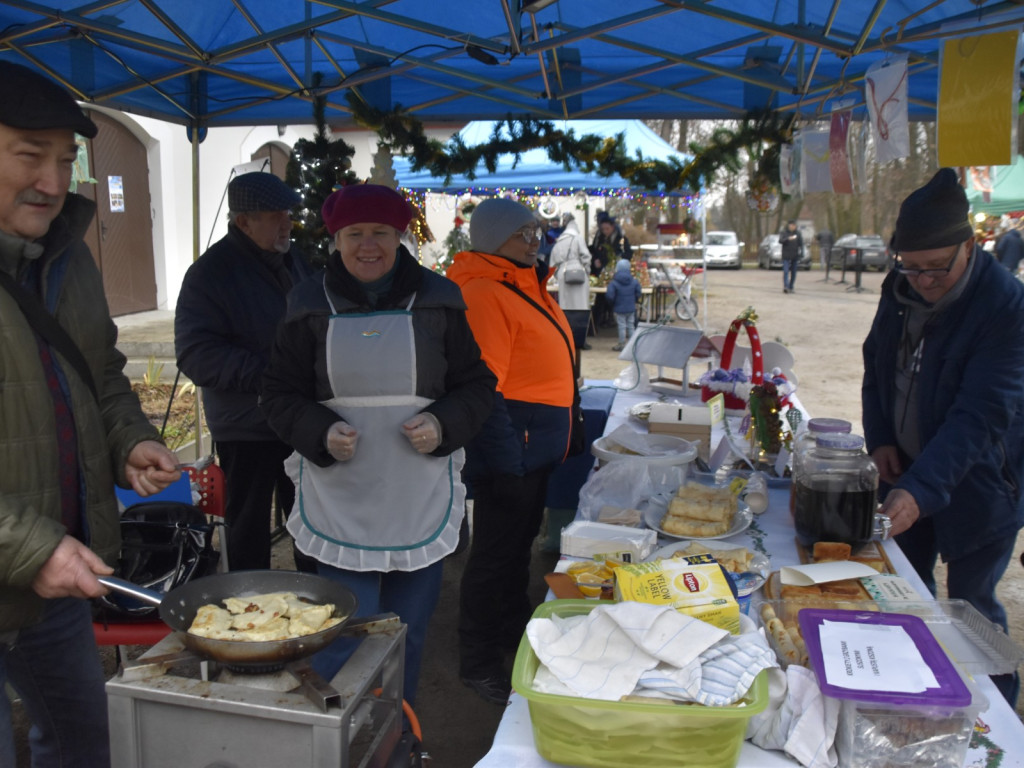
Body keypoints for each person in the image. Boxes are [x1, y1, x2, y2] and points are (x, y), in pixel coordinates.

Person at [0, 61, 182, 768]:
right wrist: (30, 547)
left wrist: (127, 438)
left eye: (64, 159)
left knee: (83, 746)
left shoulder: (68, 260)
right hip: (36, 553)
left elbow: (97, 370)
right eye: (27, 155)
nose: (52, 182)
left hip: (55, 581)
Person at [260, 184, 495, 708]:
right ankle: (335, 735)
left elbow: (477, 386)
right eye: (355, 234)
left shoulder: (439, 299)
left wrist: (443, 423)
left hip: (418, 492)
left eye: (381, 233)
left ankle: (396, 736)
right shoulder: (306, 304)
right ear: (336, 239)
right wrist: (319, 431)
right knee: (343, 632)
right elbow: (277, 393)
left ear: (401, 236)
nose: (369, 246)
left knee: (405, 634)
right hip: (341, 493)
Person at [862, 168, 1024, 706]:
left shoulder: (1006, 306)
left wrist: (924, 488)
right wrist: (883, 436)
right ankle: (923, 688)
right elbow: (876, 361)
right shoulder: (900, 285)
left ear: (970, 246)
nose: (924, 281)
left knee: (973, 602)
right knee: (905, 591)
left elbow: (981, 414)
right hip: (906, 468)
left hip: (979, 482)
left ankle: (999, 707)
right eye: (911, 268)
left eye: (937, 269)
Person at [446, 198, 577, 705]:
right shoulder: (484, 291)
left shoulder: (521, 281)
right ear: (492, 236)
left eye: (538, 231)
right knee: (494, 555)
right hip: (510, 447)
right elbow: (485, 386)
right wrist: (503, 459)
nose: (535, 241)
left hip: (533, 446)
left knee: (517, 547)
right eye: (524, 233)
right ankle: (476, 658)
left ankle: (509, 628)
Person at [175, 171, 316, 572]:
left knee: (309, 519)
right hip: (247, 424)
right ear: (243, 221)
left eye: (288, 212)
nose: (287, 222)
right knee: (248, 525)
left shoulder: (295, 259)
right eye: (275, 215)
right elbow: (196, 354)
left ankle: (316, 604)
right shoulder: (210, 274)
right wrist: (271, 375)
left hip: (298, 417)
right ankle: (249, 609)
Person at [589, 212, 632, 327]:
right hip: (601, 273)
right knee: (600, 298)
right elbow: (594, 251)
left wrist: (618, 263)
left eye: (607, 229)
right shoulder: (599, 238)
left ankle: (614, 319)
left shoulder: (621, 239)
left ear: (612, 227)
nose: (605, 231)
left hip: (616, 274)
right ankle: (597, 322)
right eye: (603, 229)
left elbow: (627, 254)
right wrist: (595, 260)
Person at [549, 212, 591, 311]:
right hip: (579, 272)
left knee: (566, 304)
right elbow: (586, 256)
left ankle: (567, 324)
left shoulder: (559, 242)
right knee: (581, 304)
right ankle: (581, 324)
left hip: (562, 274)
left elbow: (552, 263)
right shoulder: (578, 238)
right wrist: (587, 271)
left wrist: (557, 275)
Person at [605, 258, 641, 351]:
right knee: (631, 326)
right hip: (631, 308)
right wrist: (635, 300)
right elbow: (638, 293)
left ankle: (621, 344)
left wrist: (612, 304)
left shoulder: (614, 283)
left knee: (621, 326)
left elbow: (609, 296)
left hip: (619, 308)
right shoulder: (634, 281)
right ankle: (632, 345)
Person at [779, 220, 802, 293]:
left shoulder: (798, 233)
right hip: (786, 254)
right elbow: (780, 241)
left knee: (794, 272)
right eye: (791, 225)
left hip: (795, 254)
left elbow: (801, 244)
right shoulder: (784, 232)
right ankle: (786, 286)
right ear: (789, 226)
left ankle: (791, 286)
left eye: (794, 225)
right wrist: (788, 239)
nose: (792, 227)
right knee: (786, 271)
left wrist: (802, 253)